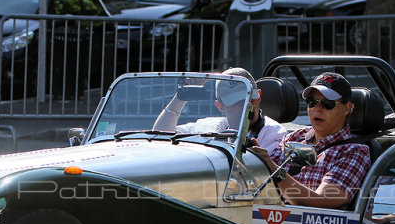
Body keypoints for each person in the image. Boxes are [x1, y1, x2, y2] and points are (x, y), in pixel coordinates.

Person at [250, 71, 370, 209]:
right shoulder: (295, 136)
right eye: (312, 102)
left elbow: (322, 201)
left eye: (327, 103)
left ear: (346, 108)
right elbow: (259, 181)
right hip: (269, 218)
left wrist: (273, 169)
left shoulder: (354, 151)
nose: (317, 109)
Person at [153, 67, 287, 153]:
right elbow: (160, 136)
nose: (246, 105)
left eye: (249, 98)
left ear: (259, 97)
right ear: (220, 106)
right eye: (237, 102)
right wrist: (181, 97)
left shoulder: (275, 135)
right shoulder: (209, 126)